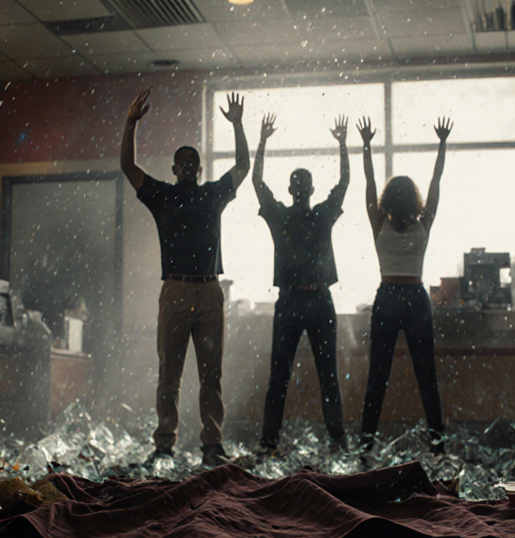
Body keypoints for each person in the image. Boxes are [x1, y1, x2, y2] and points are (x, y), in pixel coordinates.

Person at [120, 87, 249, 467]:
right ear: (175, 170)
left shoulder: (212, 195)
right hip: (175, 289)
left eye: (194, 163)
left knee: (212, 376)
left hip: (209, 290)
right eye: (183, 163)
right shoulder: (161, 195)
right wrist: (130, 125)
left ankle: (212, 446)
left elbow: (242, 166)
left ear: (200, 169)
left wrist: (238, 124)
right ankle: (164, 445)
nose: (189, 167)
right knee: (169, 375)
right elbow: (128, 168)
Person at [253, 113, 349, 453]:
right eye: (298, 183)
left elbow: (344, 184)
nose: (300, 188)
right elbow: (257, 184)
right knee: (283, 377)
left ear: (306, 189)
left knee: (324, 377)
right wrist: (262, 142)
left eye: (303, 183)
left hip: (314, 301)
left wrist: (342, 145)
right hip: (296, 302)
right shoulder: (284, 216)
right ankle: (270, 442)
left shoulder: (317, 215)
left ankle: (335, 442)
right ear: (296, 189)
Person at [356, 116, 451, 453]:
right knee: (427, 377)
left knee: (376, 377)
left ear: (388, 201)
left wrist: (367, 146)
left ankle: (366, 445)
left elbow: (367, 181)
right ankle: (438, 447)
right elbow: (436, 181)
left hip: (389, 296)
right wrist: (441, 145)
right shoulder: (424, 222)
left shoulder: (378, 220)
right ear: (414, 201)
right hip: (414, 296)